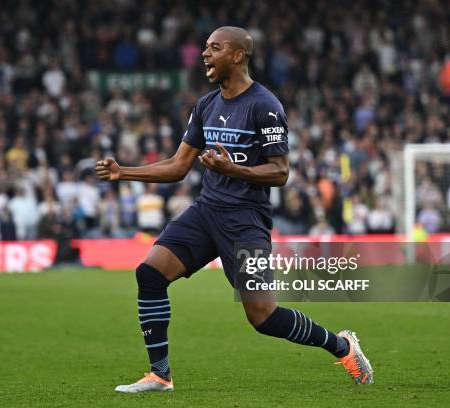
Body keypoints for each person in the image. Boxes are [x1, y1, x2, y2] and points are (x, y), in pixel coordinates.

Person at [96, 26, 373, 393]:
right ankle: (160, 375)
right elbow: (179, 166)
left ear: (238, 55)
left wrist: (234, 169)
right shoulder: (206, 105)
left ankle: (342, 346)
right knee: (149, 274)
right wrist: (124, 172)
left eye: (215, 48)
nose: (205, 55)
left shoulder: (265, 105)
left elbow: (280, 171)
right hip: (207, 211)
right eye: (206, 48)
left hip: (245, 220)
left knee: (263, 317)